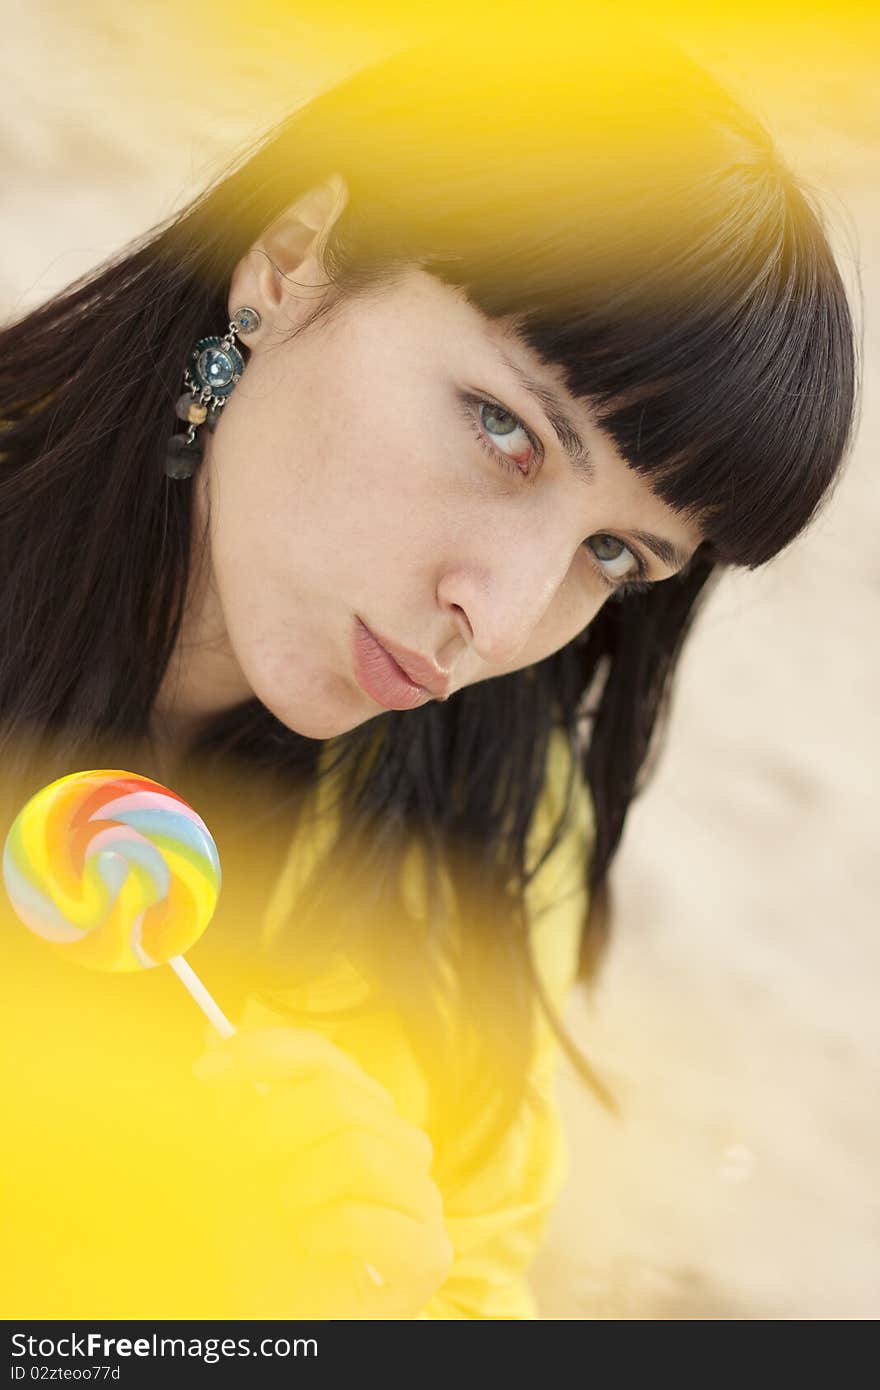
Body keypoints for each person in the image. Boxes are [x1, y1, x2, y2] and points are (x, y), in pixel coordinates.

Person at [0, 17, 858, 1320]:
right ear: (288, 263)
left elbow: (474, 1277)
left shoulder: (495, 825)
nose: (500, 622)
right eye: (504, 427)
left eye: (616, 554)